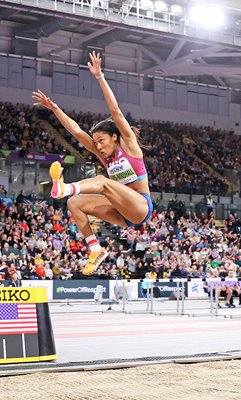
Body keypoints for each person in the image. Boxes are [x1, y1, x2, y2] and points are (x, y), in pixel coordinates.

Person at [32, 51, 152, 275]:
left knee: (101, 181)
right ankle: (96, 250)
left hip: (140, 207)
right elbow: (76, 131)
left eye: (101, 140)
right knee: (74, 203)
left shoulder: (130, 146)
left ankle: (65, 188)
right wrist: (55, 108)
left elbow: (115, 112)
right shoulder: (103, 156)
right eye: (95, 142)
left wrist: (99, 77)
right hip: (121, 212)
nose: (97, 145)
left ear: (114, 137)